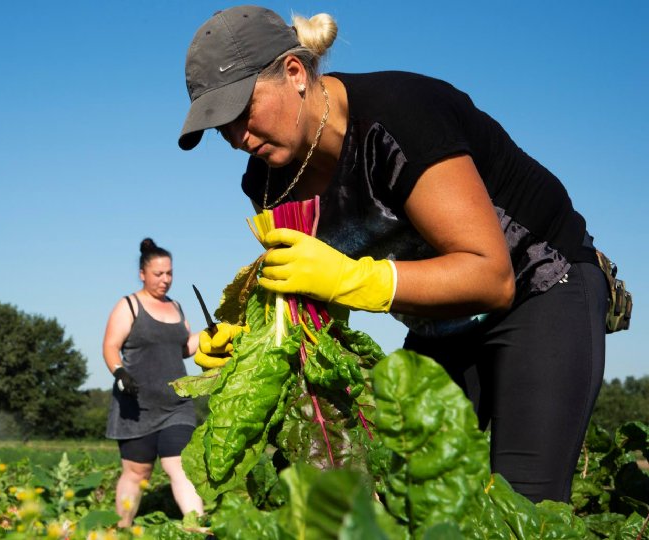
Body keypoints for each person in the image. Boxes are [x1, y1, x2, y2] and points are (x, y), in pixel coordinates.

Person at [178, 5, 609, 504]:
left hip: (540, 286)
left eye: (240, 112)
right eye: (219, 127)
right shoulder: (267, 179)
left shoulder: (399, 115)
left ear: (295, 73)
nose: (237, 139)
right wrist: (249, 344)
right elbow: (310, 295)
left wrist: (349, 279)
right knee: (404, 495)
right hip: (440, 322)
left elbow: (491, 278)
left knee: (521, 505)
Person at [102, 238, 204, 526]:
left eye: (169, 273)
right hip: (137, 405)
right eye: (159, 274)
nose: (166, 280)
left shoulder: (177, 307)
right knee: (137, 472)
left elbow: (183, 348)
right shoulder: (129, 306)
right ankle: (121, 527)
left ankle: (197, 526)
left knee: (180, 466)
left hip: (176, 404)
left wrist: (209, 334)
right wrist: (119, 372)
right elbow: (110, 346)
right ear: (142, 273)